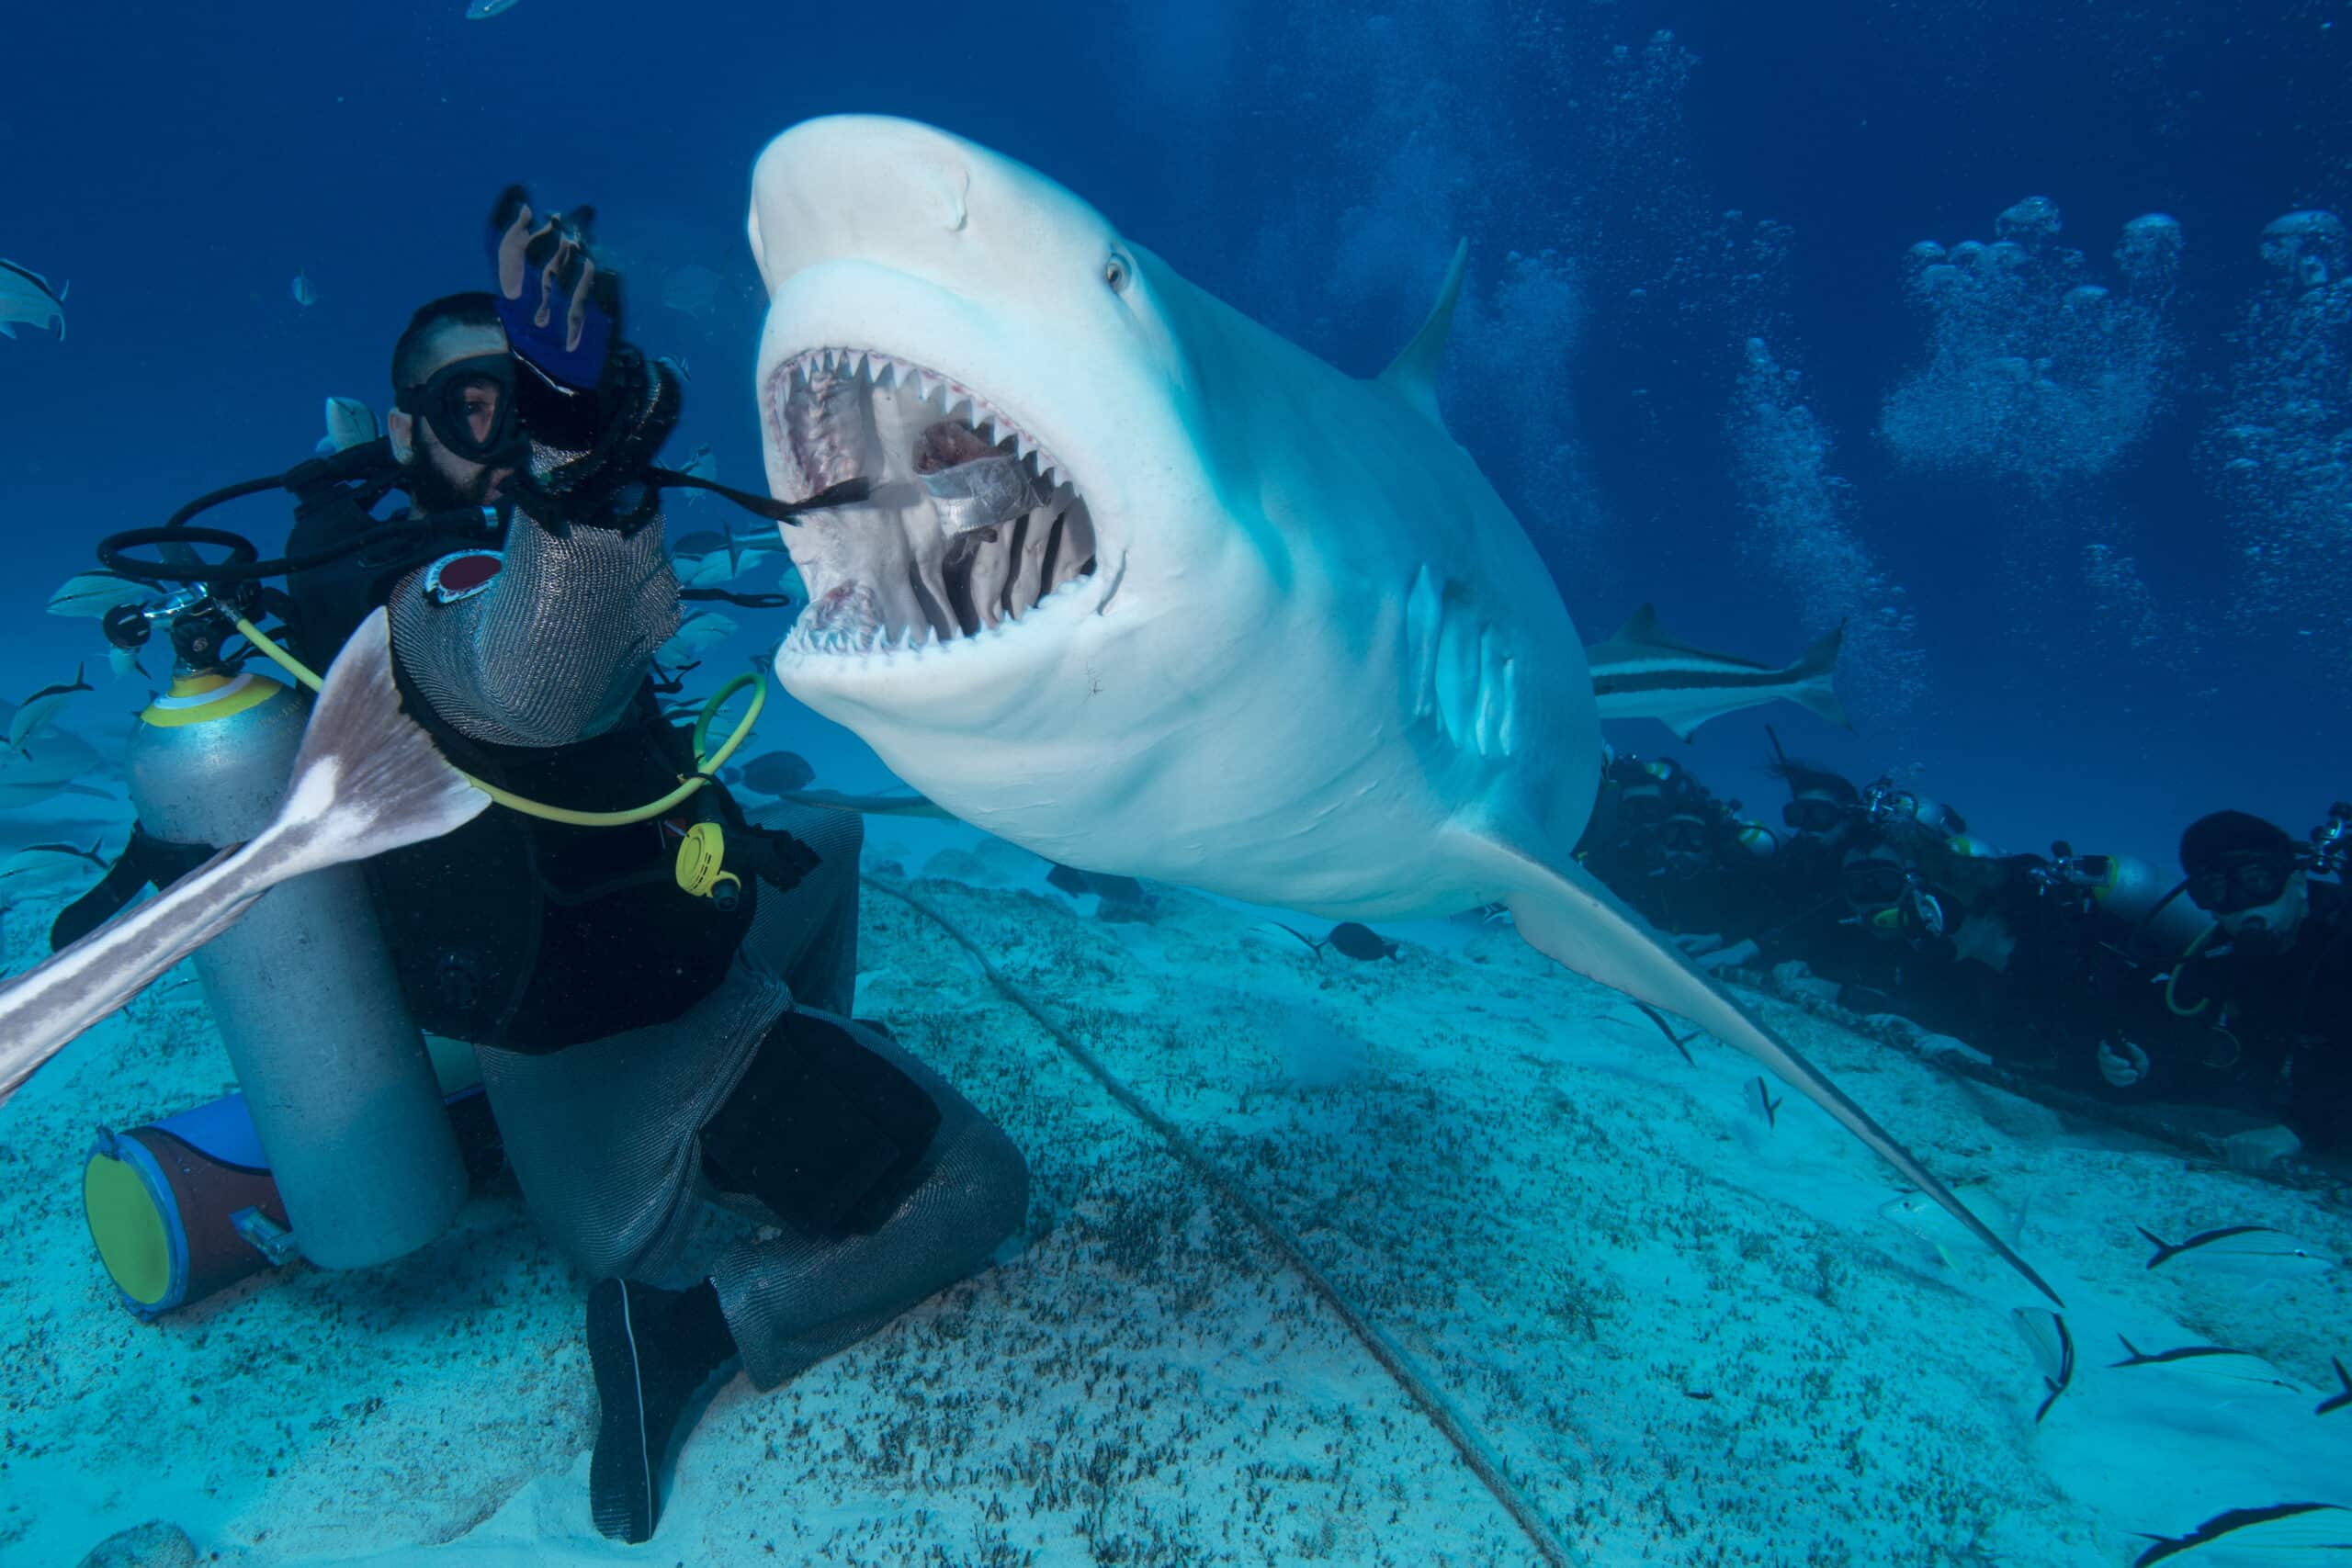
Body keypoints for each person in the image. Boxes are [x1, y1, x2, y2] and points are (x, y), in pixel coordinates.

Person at [284, 189, 1029, 1543]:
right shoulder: (422, 591)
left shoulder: (468, 543)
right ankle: (687, 1314)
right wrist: (575, 460)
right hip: (629, 1069)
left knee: (837, 836)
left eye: (518, 396)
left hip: (563, 1011)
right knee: (983, 1182)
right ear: (401, 435)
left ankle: (810, 1081)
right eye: (467, 407)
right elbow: (534, 684)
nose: (498, 431)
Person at [2153, 808, 2352, 1156]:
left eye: (2257, 882)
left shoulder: (2342, 938)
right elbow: (2190, 1048)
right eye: (2217, 889)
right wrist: (2143, 1064)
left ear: (2298, 882)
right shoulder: (2219, 957)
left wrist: (2306, 1129)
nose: (2243, 907)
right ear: (2209, 906)